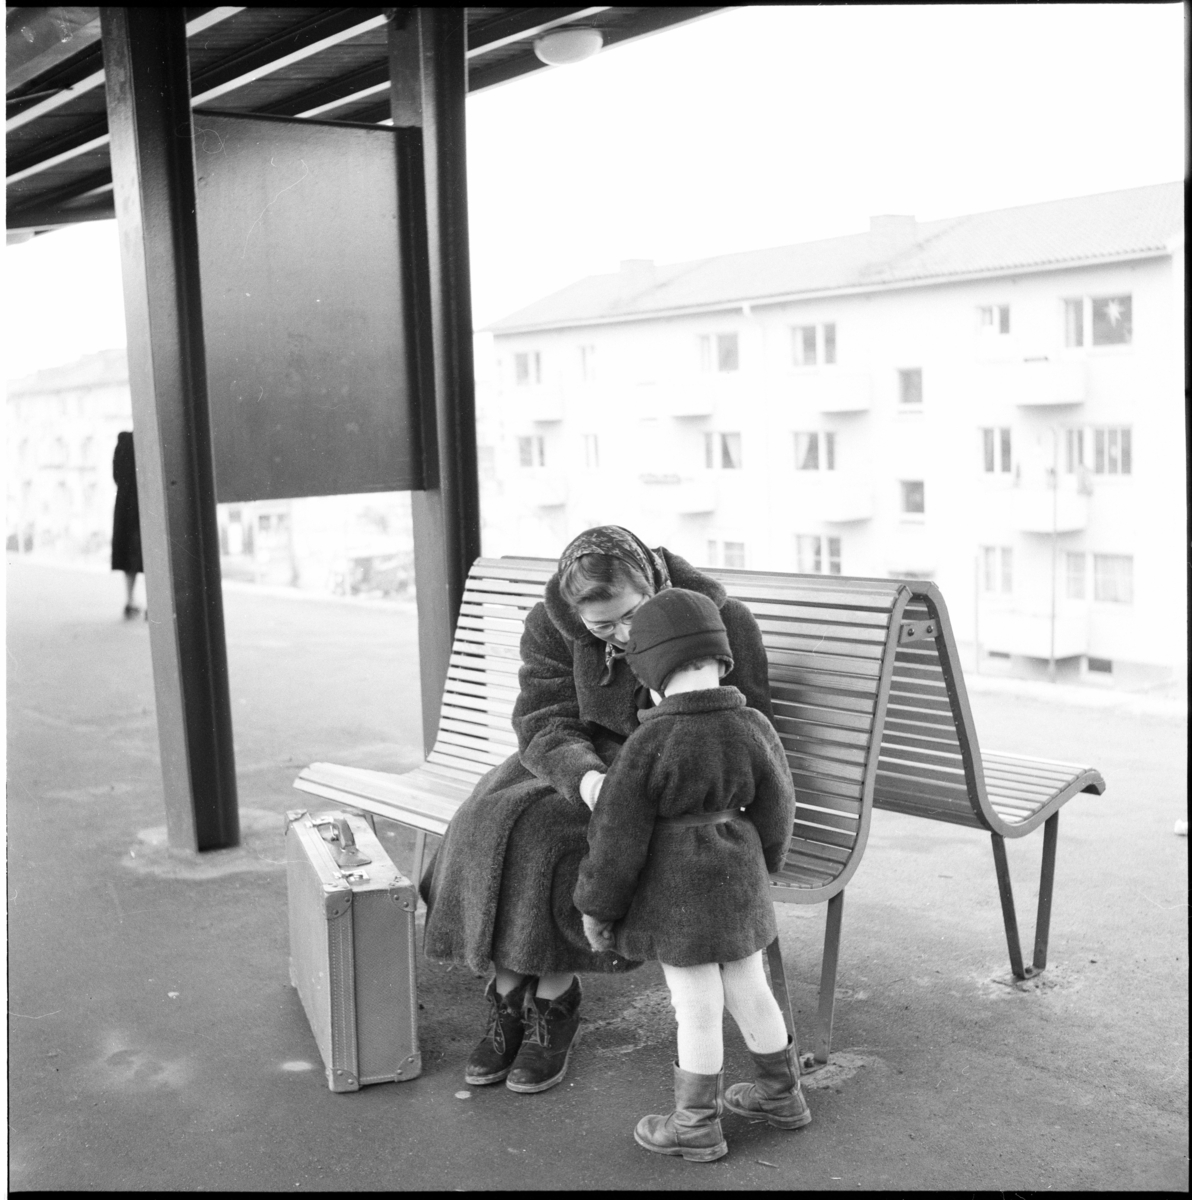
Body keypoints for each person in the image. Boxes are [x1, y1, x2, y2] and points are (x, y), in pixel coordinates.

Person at [420, 525, 775, 1094]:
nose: (623, 636)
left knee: (549, 839)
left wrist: (640, 777)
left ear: (653, 585)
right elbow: (542, 720)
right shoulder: (550, 624)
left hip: (663, 769)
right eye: (602, 627)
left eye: (632, 616)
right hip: (576, 762)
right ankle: (509, 996)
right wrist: (583, 777)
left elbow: (744, 720)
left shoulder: (717, 617)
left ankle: (555, 1001)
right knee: (484, 819)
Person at [574, 587, 805, 1163]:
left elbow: (616, 836)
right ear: (720, 660)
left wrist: (598, 907)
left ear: (650, 671)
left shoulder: (650, 740)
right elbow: (779, 806)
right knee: (750, 983)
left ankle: (696, 1125)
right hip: (738, 873)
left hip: (676, 890)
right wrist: (764, 867)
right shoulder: (752, 723)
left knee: (695, 1000)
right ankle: (783, 1096)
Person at [110, 431, 143, 619]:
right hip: (146, 502)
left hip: (126, 504)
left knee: (130, 553)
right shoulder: (153, 438)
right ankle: (153, 603)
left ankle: (130, 600)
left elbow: (115, 475)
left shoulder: (123, 442)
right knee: (151, 554)